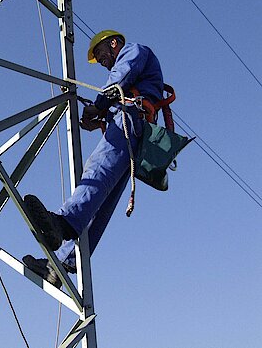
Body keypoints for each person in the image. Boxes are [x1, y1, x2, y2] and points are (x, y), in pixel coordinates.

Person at [23, 30, 164, 287]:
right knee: (103, 200)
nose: (102, 62)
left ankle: (62, 223)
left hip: (130, 122)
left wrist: (98, 106)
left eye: (100, 55)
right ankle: (62, 264)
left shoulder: (134, 49)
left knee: (97, 173)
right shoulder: (133, 73)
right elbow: (118, 95)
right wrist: (99, 116)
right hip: (135, 127)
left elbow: (118, 82)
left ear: (113, 43)